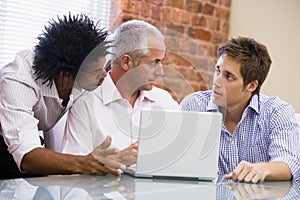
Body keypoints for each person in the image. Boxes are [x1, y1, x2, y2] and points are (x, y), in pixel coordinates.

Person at [0, 13, 131, 179]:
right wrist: (85, 163)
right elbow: (28, 156)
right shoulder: (18, 80)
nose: (104, 76)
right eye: (95, 72)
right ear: (65, 76)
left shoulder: (81, 71)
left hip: (34, 146)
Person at [180, 37, 300, 183]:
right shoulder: (194, 106)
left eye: (228, 76)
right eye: (218, 71)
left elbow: (289, 162)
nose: (216, 82)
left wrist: (263, 169)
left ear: (251, 86)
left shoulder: (277, 111)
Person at [62, 20, 180, 162]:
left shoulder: (165, 101)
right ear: (126, 62)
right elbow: (73, 170)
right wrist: (116, 161)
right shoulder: (86, 104)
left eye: (161, 62)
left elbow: (180, 157)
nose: (161, 72)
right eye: (154, 63)